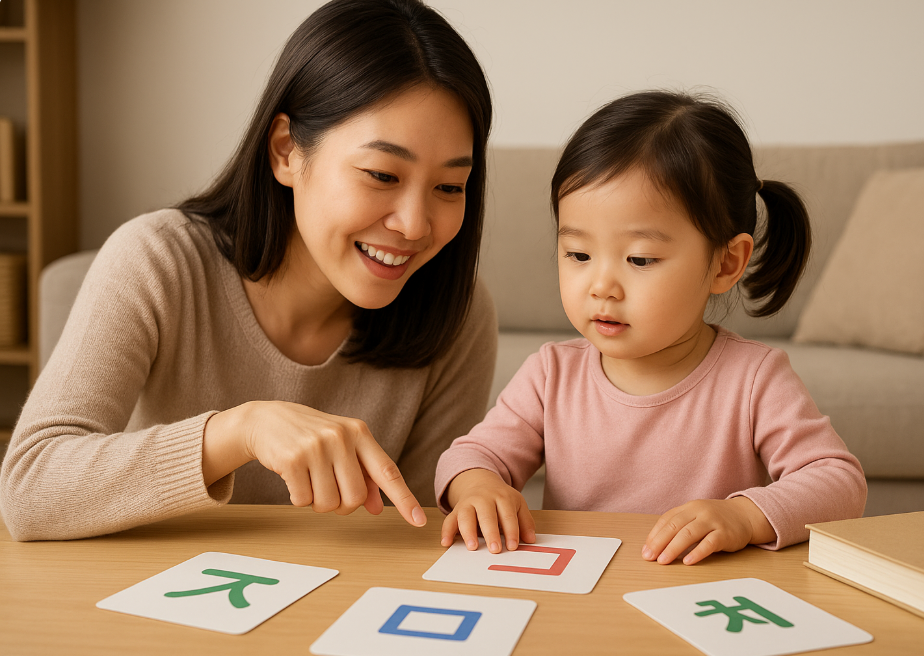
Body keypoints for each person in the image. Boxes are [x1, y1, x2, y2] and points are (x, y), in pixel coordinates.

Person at [0, 0, 495, 541]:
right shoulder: (158, 261)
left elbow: (418, 534)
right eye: (381, 174)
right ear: (286, 151)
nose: (415, 225)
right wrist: (238, 431)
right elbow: (28, 490)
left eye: (449, 187)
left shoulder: (457, 313)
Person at [436, 90, 867, 564]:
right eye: (578, 254)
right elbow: (469, 454)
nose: (602, 286)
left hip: (697, 594)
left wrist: (744, 516)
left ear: (726, 263)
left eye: (640, 259)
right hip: (576, 591)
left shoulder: (754, 378)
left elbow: (839, 481)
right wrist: (477, 484)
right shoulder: (550, 374)